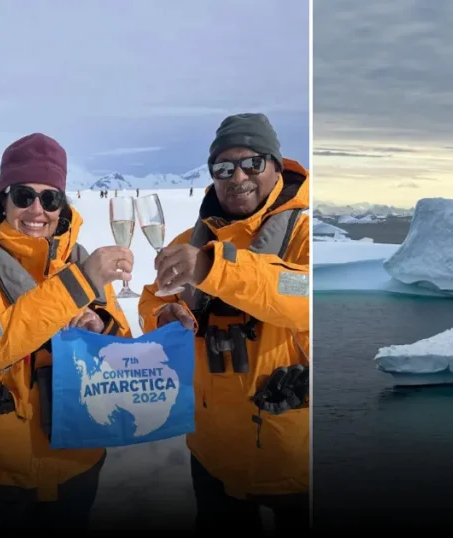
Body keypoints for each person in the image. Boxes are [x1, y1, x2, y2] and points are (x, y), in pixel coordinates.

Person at [0, 133, 135, 531]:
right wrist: (77, 288)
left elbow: (123, 355)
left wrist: (101, 327)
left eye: (50, 199)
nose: (36, 209)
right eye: (23, 195)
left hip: (76, 460)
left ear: (62, 207)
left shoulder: (82, 263)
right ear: (2, 200)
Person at [138, 113, 310, 532]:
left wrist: (215, 267)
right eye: (223, 168)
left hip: (292, 451)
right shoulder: (188, 242)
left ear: (276, 165)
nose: (238, 177)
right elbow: (151, 298)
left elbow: (304, 296)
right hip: (212, 449)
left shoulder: (307, 232)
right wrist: (161, 313)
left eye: (252, 163)